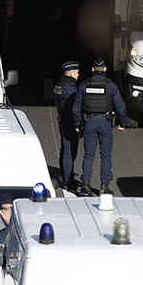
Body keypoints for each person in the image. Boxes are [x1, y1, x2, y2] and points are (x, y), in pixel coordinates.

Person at [72, 57, 126, 196]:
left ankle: (85, 184)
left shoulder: (84, 84)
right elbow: (120, 106)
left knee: (88, 155)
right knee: (106, 156)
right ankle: (104, 186)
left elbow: (76, 107)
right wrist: (123, 122)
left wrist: (78, 124)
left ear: (92, 69)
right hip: (105, 123)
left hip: (89, 122)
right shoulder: (110, 85)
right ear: (105, 69)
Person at [53, 60, 80, 190]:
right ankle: (68, 180)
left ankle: (65, 175)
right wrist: (78, 124)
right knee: (70, 151)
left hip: (62, 121)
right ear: (71, 73)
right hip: (69, 122)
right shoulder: (70, 88)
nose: (78, 75)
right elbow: (73, 108)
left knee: (65, 150)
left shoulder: (59, 84)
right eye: (77, 72)